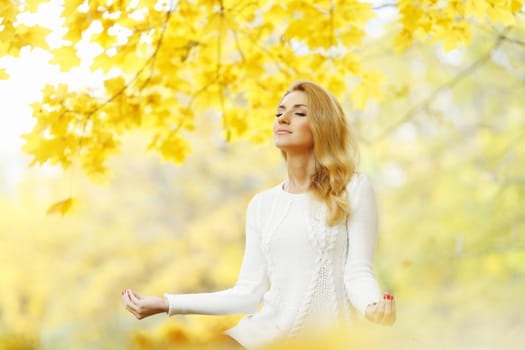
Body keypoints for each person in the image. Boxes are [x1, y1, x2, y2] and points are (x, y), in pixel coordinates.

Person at [122, 80, 396, 349]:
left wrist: (373, 306)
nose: (283, 118)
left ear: (323, 126)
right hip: (255, 339)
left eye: (299, 113)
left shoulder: (353, 188)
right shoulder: (262, 205)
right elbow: (247, 294)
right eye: (279, 112)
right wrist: (167, 303)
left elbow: (358, 272)